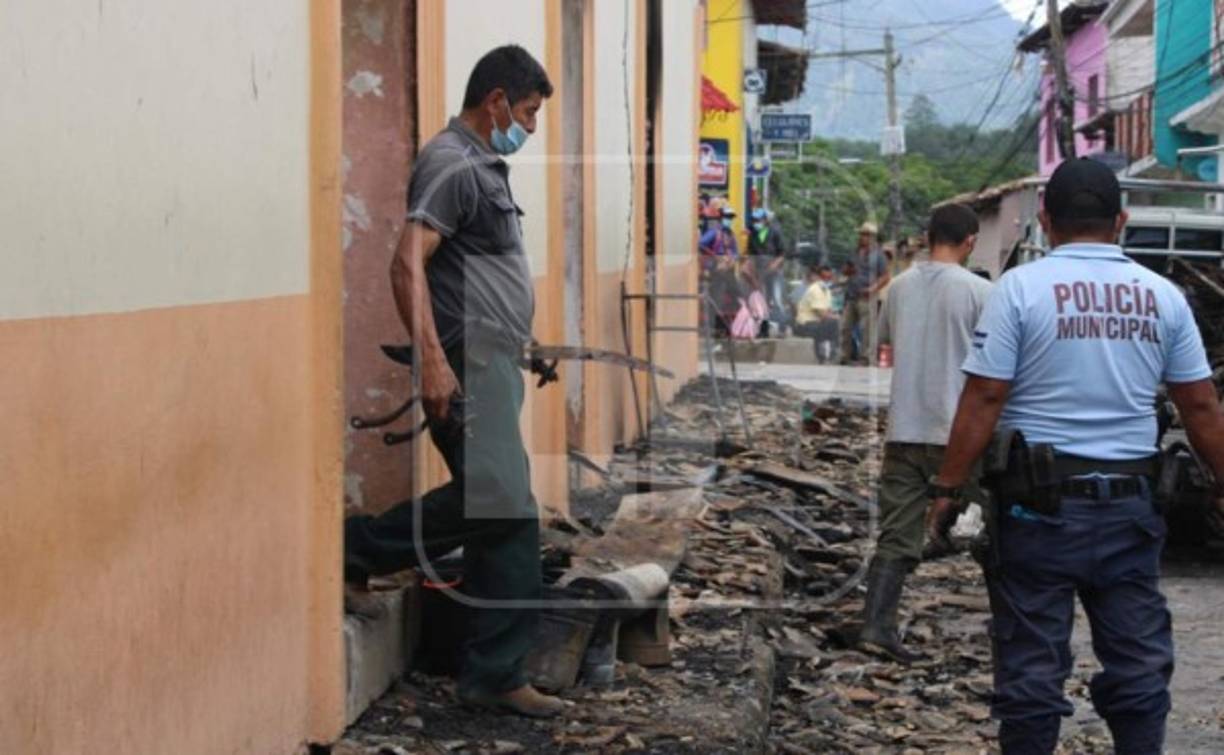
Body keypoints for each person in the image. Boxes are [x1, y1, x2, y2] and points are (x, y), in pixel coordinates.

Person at [926, 158, 1224, 754]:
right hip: (1130, 509)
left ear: (1045, 220)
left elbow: (985, 396)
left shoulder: (1019, 290)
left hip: (1036, 512)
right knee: (1137, 663)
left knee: (1032, 669)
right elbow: (1199, 405)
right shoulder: (1162, 297)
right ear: (1121, 221)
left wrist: (947, 488)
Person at [342, 45, 565, 719]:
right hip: (465, 364)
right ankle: (360, 546)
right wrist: (434, 360)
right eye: (528, 111)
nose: (530, 126)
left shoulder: (481, 166)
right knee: (504, 506)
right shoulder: (451, 163)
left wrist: (523, 344)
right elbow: (407, 264)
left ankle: (492, 671)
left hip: (491, 361)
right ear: (495, 101)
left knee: (500, 511)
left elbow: (476, 270)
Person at [855, 204, 993, 662]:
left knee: (896, 532)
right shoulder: (981, 292)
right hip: (961, 434)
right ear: (970, 242)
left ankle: (876, 626)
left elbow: (886, 341)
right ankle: (1009, 626)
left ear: (929, 237)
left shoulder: (897, 288)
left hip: (905, 430)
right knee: (994, 529)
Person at [839, 221, 890, 365]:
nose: (862, 237)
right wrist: (848, 269)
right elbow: (845, 271)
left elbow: (885, 276)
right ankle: (844, 355)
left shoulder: (879, 255)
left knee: (866, 329)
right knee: (845, 326)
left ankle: (865, 357)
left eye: (866, 235)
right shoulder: (855, 252)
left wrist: (873, 289)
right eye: (862, 234)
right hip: (852, 295)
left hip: (867, 296)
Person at [700, 206, 741, 334]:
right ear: (721, 218)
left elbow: (736, 252)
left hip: (729, 271)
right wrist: (716, 257)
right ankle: (712, 327)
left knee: (737, 294)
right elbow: (700, 244)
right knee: (716, 298)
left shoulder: (731, 234)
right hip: (716, 271)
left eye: (731, 218)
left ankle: (733, 324)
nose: (729, 220)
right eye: (727, 217)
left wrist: (732, 259)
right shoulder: (714, 232)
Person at [748, 208, 788, 336]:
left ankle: (782, 329)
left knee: (777, 299)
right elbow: (751, 256)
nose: (756, 222)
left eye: (759, 220)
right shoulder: (753, 234)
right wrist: (753, 276)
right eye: (754, 220)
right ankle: (763, 330)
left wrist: (774, 264)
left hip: (775, 272)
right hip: (760, 272)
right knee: (762, 300)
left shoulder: (775, 232)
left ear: (765, 220)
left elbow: (782, 253)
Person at [793, 265, 838, 363]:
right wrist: (836, 318)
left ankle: (830, 353)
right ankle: (825, 354)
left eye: (829, 278)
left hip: (817, 322)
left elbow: (829, 311)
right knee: (833, 323)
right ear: (818, 277)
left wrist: (834, 316)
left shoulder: (826, 290)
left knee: (834, 323)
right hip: (805, 324)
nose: (826, 280)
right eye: (824, 277)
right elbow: (822, 314)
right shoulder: (815, 289)